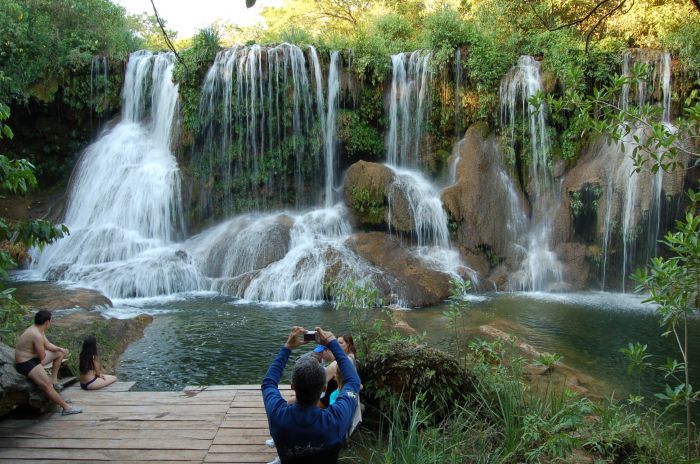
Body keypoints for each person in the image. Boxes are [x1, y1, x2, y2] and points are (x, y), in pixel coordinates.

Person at [262, 326, 360, 463]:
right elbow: (353, 381)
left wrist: (287, 348)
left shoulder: (278, 415)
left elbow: (268, 383)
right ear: (324, 387)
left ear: (293, 387)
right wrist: (332, 343)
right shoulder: (335, 419)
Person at [14, 310, 82, 415]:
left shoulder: (39, 329)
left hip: (33, 358)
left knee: (59, 353)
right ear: (47, 322)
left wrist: (60, 349)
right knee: (47, 385)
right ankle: (66, 408)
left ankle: (54, 381)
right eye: (51, 320)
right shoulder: (35, 334)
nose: (51, 322)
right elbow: (42, 357)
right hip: (26, 363)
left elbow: (48, 344)